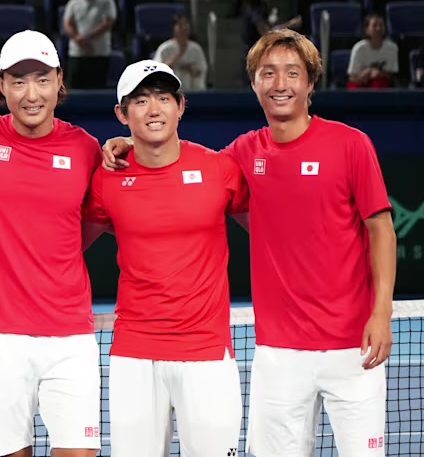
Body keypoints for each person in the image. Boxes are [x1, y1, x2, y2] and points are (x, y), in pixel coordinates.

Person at [101, 29, 396, 456]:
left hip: (354, 345)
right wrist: (135, 140)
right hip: (277, 352)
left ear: (311, 82)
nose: (280, 84)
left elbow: (381, 228)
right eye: (268, 73)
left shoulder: (351, 144)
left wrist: (382, 313)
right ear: (254, 83)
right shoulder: (242, 154)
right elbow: (176, 164)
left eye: (292, 73)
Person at [0, 30, 104, 457]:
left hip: (69, 336)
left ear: (59, 81)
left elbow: (96, 219)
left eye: (41, 80)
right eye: (18, 81)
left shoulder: (85, 148)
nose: (31, 94)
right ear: (1, 85)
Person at [82, 59, 248, 457]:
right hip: (134, 355)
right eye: (141, 101)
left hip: (206, 354)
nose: (154, 109)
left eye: (163, 98)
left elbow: (272, 234)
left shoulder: (220, 169)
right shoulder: (106, 179)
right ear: (122, 114)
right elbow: (63, 244)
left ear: (181, 106)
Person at [62, 0, 116, 89]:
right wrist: (78, 39)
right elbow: (67, 24)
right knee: (74, 90)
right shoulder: (73, 3)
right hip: (77, 54)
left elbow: (108, 22)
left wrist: (87, 38)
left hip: (99, 53)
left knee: (97, 90)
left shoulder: (107, 1)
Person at [153, 14, 207, 91]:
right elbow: (156, 72)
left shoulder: (196, 49)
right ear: (173, 28)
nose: (184, 28)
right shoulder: (165, 48)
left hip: (192, 91)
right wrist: (177, 56)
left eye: (186, 24)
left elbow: (201, 71)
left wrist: (190, 69)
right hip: (170, 91)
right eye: (180, 25)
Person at [347, 13, 399, 90]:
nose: (378, 28)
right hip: (361, 82)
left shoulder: (392, 48)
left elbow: (391, 75)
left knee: (379, 83)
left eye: (381, 25)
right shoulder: (359, 48)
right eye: (374, 25)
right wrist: (362, 76)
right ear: (367, 30)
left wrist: (379, 74)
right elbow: (352, 77)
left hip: (379, 83)